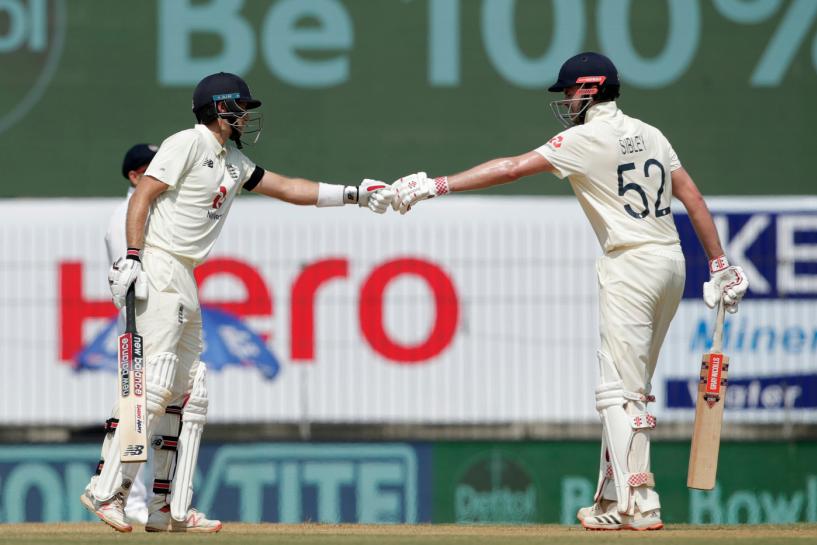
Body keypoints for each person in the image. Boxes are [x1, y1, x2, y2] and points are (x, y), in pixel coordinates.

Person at [389, 52, 749, 531]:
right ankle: (609, 502)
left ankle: (640, 502)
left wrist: (436, 185)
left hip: (629, 267)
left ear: (590, 89)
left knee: (617, 392)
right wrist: (721, 265)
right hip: (671, 265)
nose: (565, 100)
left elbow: (512, 167)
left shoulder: (583, 139)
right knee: (631, 387)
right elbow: (693, 198)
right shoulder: (653, 134)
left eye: (569, 92)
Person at [81, 72, 395, 533]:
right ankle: (106, 490)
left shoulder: (233, 161)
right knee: (152, 385)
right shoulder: (185, 143)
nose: (247, 115)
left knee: (190, 394)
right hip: (160, 266)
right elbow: (142, 197)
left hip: (185, 275)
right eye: (241, 107)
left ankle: (167, 508)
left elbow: (288, 189)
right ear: (222, 108)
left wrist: (354, 195)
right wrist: (131, 258)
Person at [84, 144, 158, 526]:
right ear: (134, 175)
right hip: (137, 328)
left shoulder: (154, 211)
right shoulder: (124, 215)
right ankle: (129, 499)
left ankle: (151, 502)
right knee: (136, 414)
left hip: (158, 326)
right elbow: (126, 278)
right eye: (151, 168)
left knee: (156, 417)